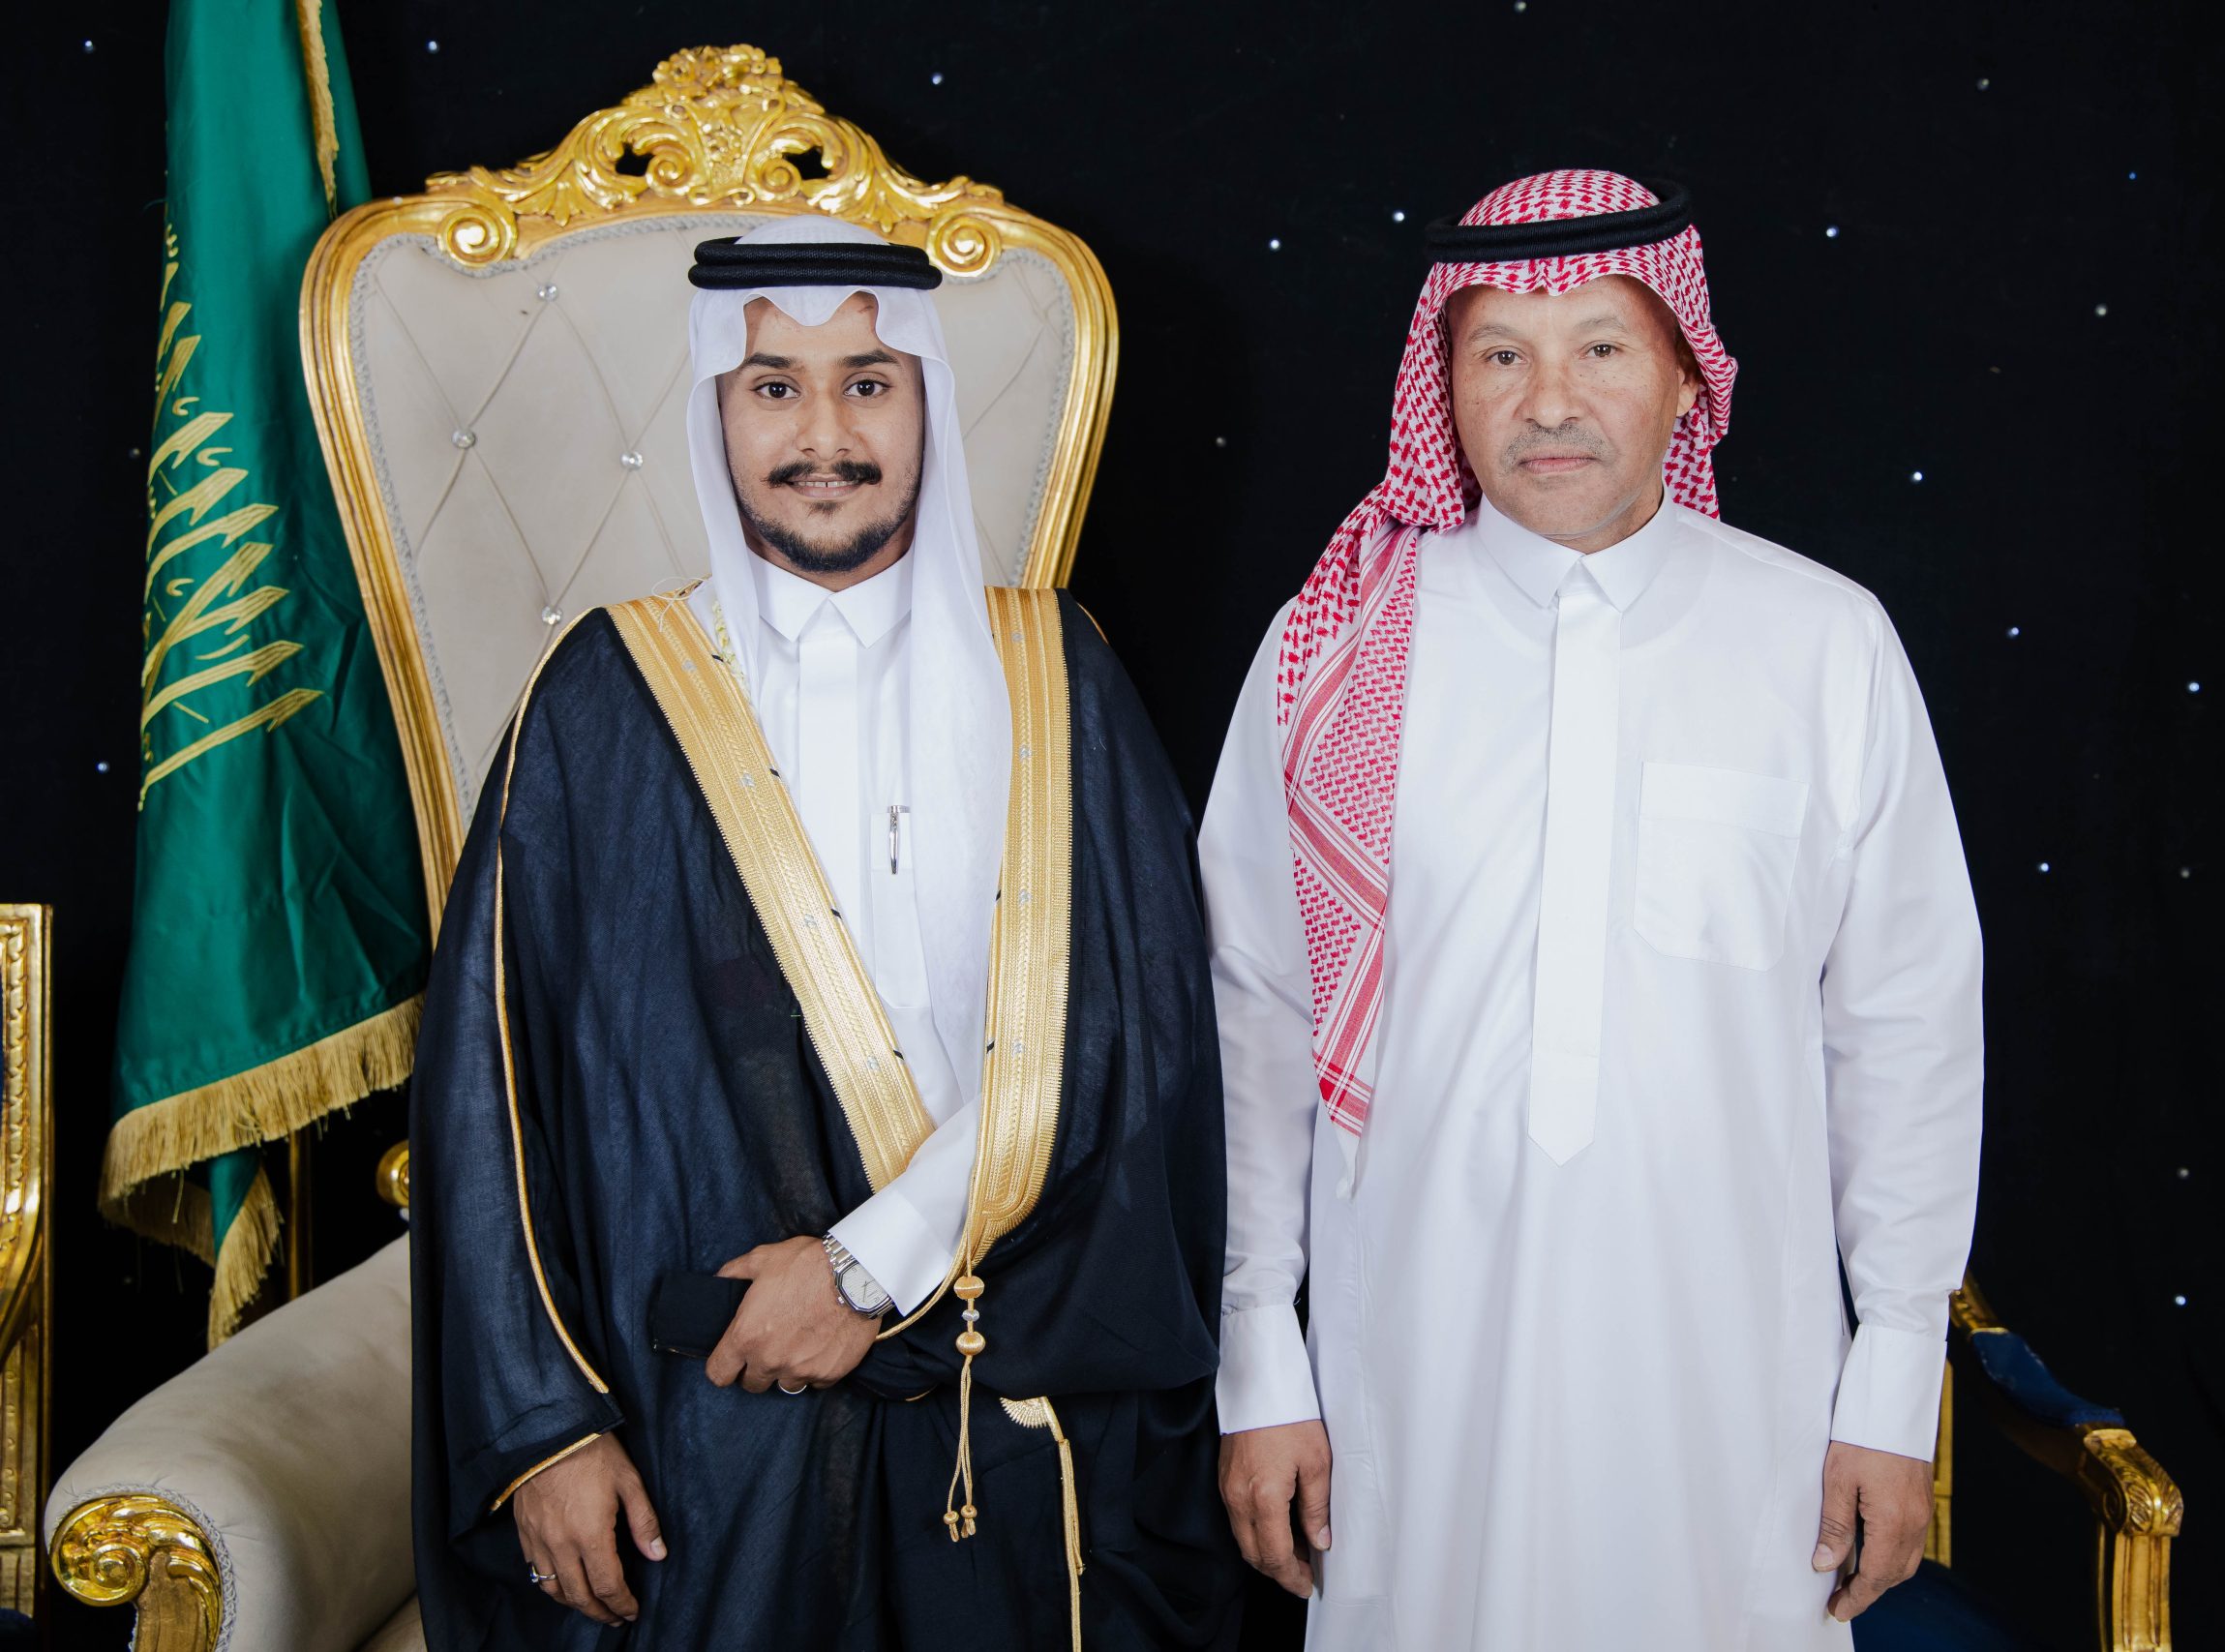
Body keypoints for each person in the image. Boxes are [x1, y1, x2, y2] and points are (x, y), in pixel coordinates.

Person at [410, 218, 1243, 1650]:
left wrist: (866, 1269)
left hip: (1009, 1386)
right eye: (773, 388)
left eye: (867, 383)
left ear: (925, 402)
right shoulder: (602, 698)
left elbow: (1138, 1039)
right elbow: (488, 1091)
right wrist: (542, 1430)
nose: (824, 437)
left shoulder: (1058, 674)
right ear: (714, 412)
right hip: (706, 1425)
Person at [1203, 170, 1983, 1647]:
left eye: (1601, 349)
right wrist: (1261, 1361)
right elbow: (1252, 1017)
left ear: (1687, 375)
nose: (1548, 400)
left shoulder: (1822, 643)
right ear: (1443, 385)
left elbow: (1907, 1035)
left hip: (1735, 1393)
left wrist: (1891, 1388)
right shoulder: (1337, 649)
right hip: (1407, 1381)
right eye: (1501, 353)